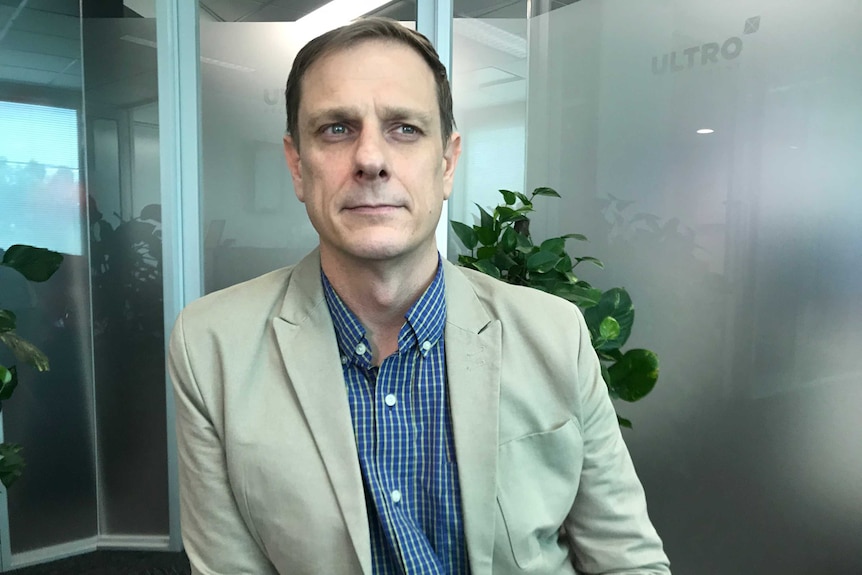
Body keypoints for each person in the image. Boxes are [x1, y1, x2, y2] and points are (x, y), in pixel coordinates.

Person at [169, 17, 670, 575]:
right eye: (336, 128)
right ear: (297, 165)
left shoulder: (555, 334)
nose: (370, 159)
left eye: (404, 128)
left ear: (448, 162)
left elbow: (628, 560)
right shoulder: (211, 345)